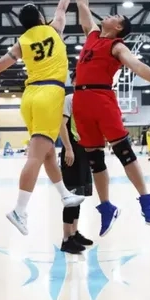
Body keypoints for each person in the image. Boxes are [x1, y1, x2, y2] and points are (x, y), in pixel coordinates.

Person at [67, 0, 150, 237]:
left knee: (124, 153)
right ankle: (106, 207)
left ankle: (145, 199)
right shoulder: (92, 35)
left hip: (102, 98)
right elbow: (83, 4)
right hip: (81, 101)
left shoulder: (116, 46)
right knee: (95, 160)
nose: (108, 15)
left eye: (115, 15)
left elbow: (137, 65)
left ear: (118, 26)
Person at [0, 0, 85, 236]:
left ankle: (64, 195)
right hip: (50, 94)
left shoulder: (22, 41)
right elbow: (62, 7)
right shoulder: (54, 29)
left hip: (29, 97)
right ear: (40, 18)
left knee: (48, 152)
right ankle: (19, 209)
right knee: (36, 156)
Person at [57, 71, 94, 254]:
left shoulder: (89, 101)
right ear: (73, 82)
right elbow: (61, 125)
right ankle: (66, 239)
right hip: (72, 151)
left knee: (79, 195)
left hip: (84, 152)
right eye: (78, 79)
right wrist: (68, 148)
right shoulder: (70, 99)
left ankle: (74, 232)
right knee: (71, 197)